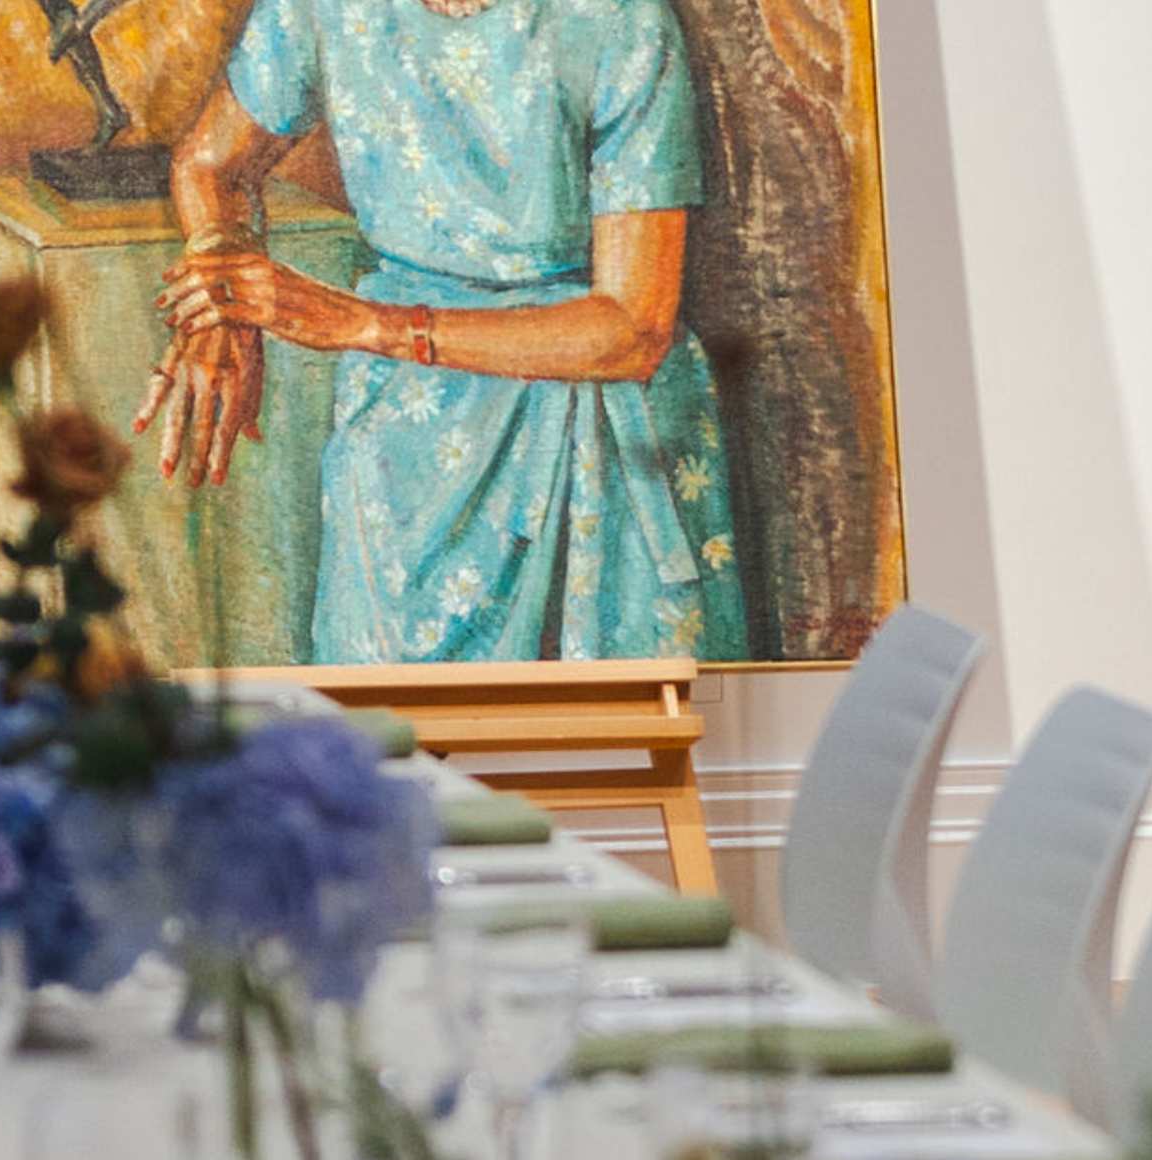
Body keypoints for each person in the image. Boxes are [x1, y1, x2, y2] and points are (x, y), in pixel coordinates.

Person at [138, 0, 750, 663]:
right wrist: (220, 300)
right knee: (388, 748)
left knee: (595, 744)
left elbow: (634, 329)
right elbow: (210, 164)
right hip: (402, 452)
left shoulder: (618, 17)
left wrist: (370, 326)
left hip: (592, 435)